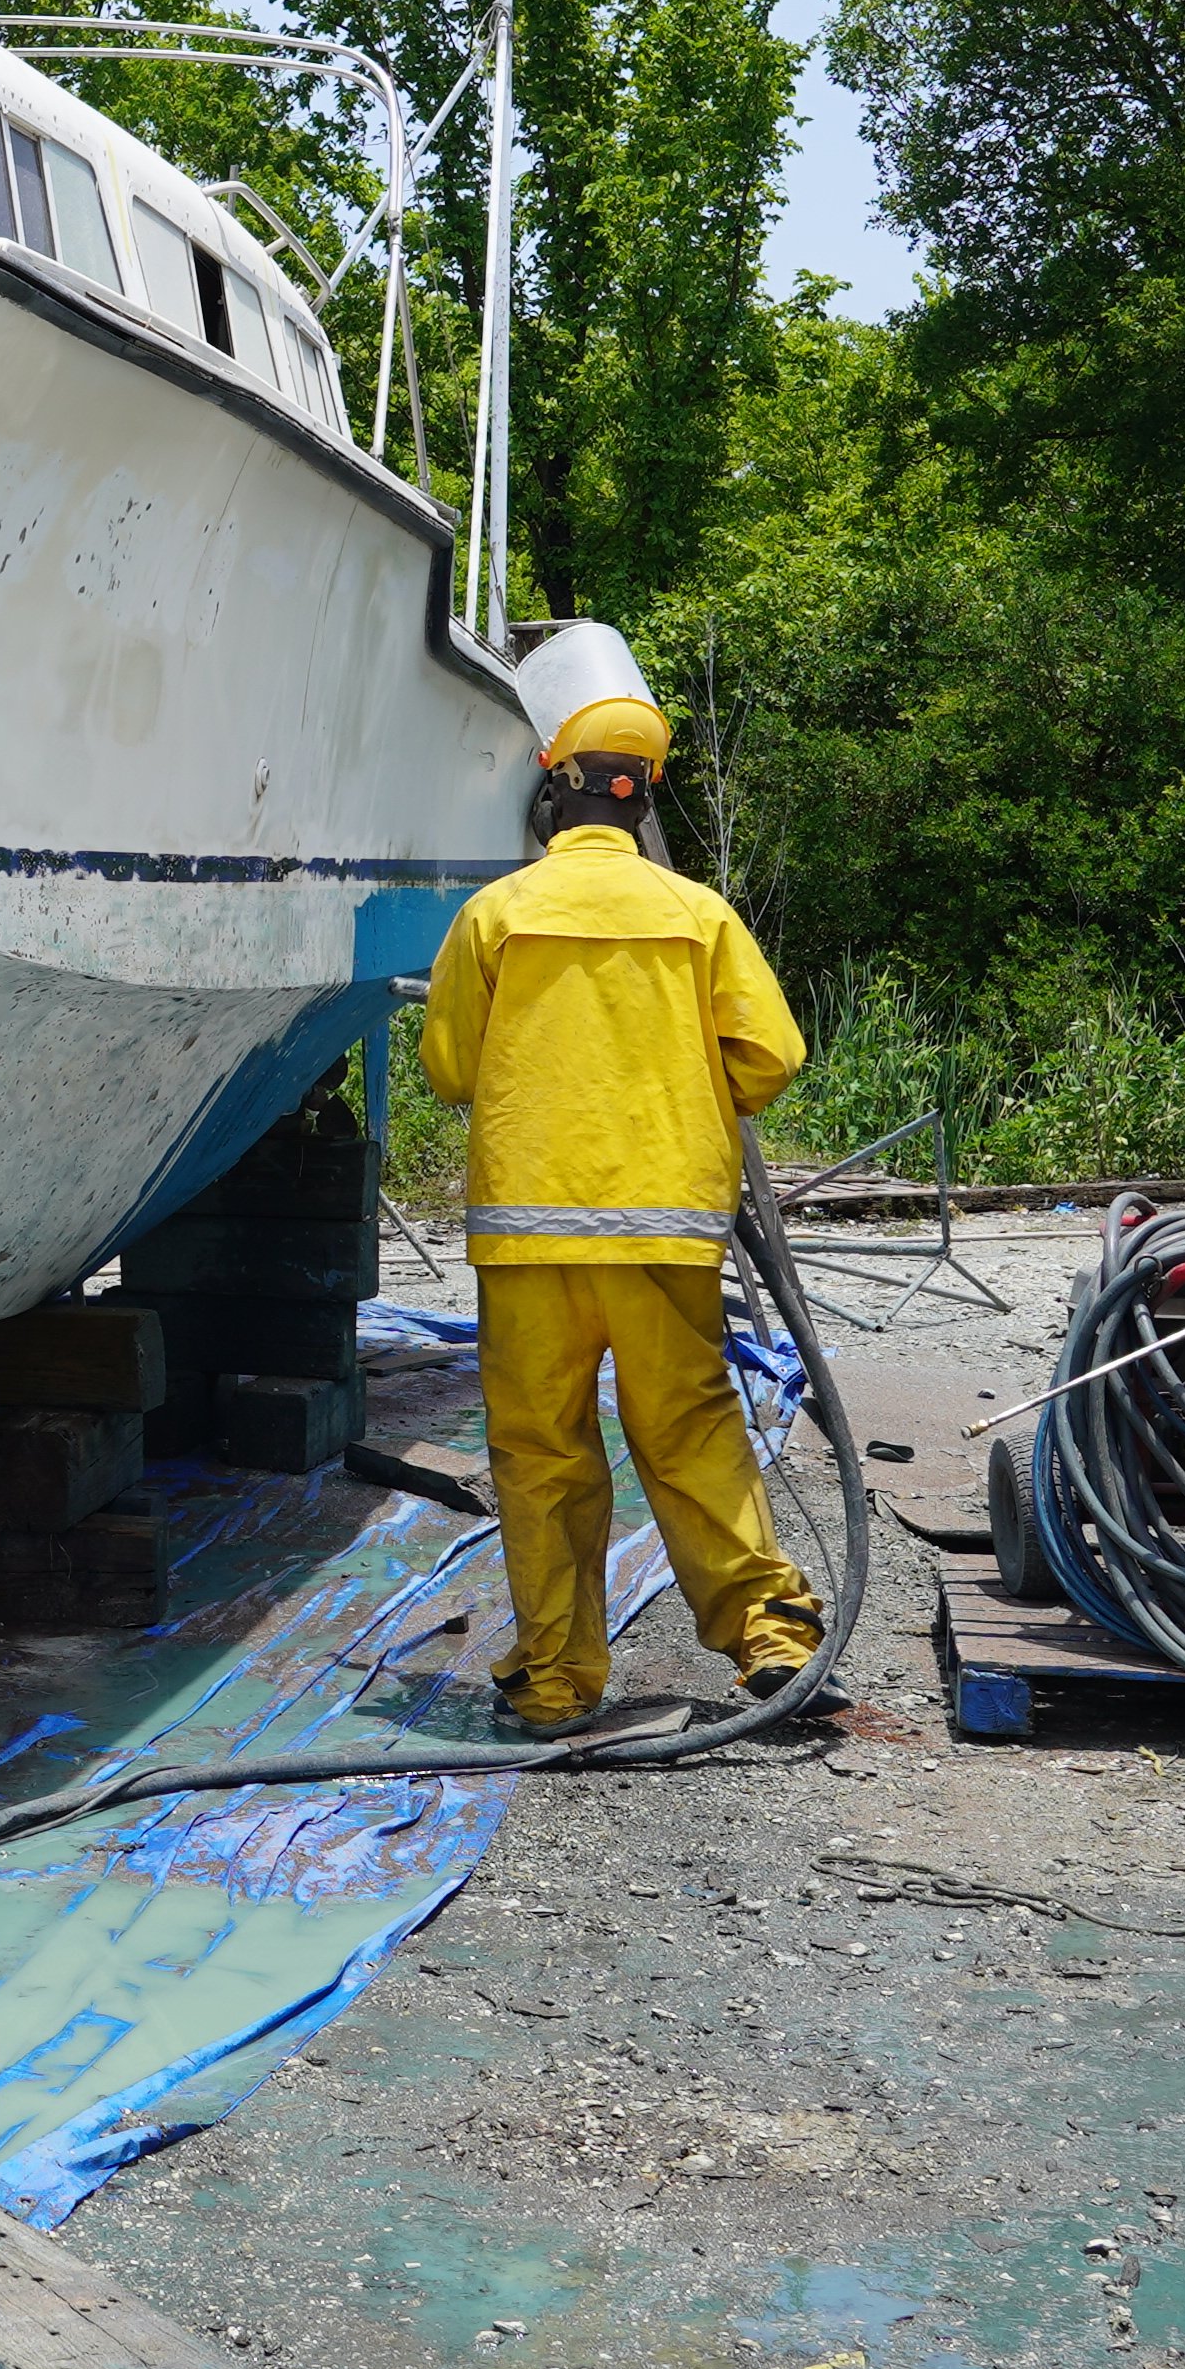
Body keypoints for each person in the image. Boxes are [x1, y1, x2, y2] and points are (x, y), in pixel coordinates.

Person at [407, 686, 821, 1735]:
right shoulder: (699, 917)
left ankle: (554, 1679)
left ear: (554, 790)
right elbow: (771, 1059)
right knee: (687, 1431)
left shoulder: (495, 916)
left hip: (530, 1236)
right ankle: (768, 1634)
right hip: (663, 1231)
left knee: (543, 1453)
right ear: (642, 806)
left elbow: (451, 1068)